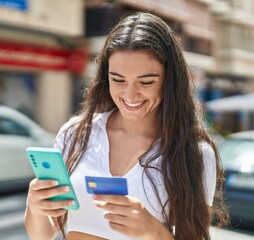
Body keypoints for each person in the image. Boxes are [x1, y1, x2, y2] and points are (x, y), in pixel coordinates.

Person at [24, 12, 229, 240]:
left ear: (170, 81)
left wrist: (152, 230)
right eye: (118, 80)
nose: (130, 94)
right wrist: (35, 206)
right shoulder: (75, 133)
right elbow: (41, 236)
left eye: (146, 82)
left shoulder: (195, 152)